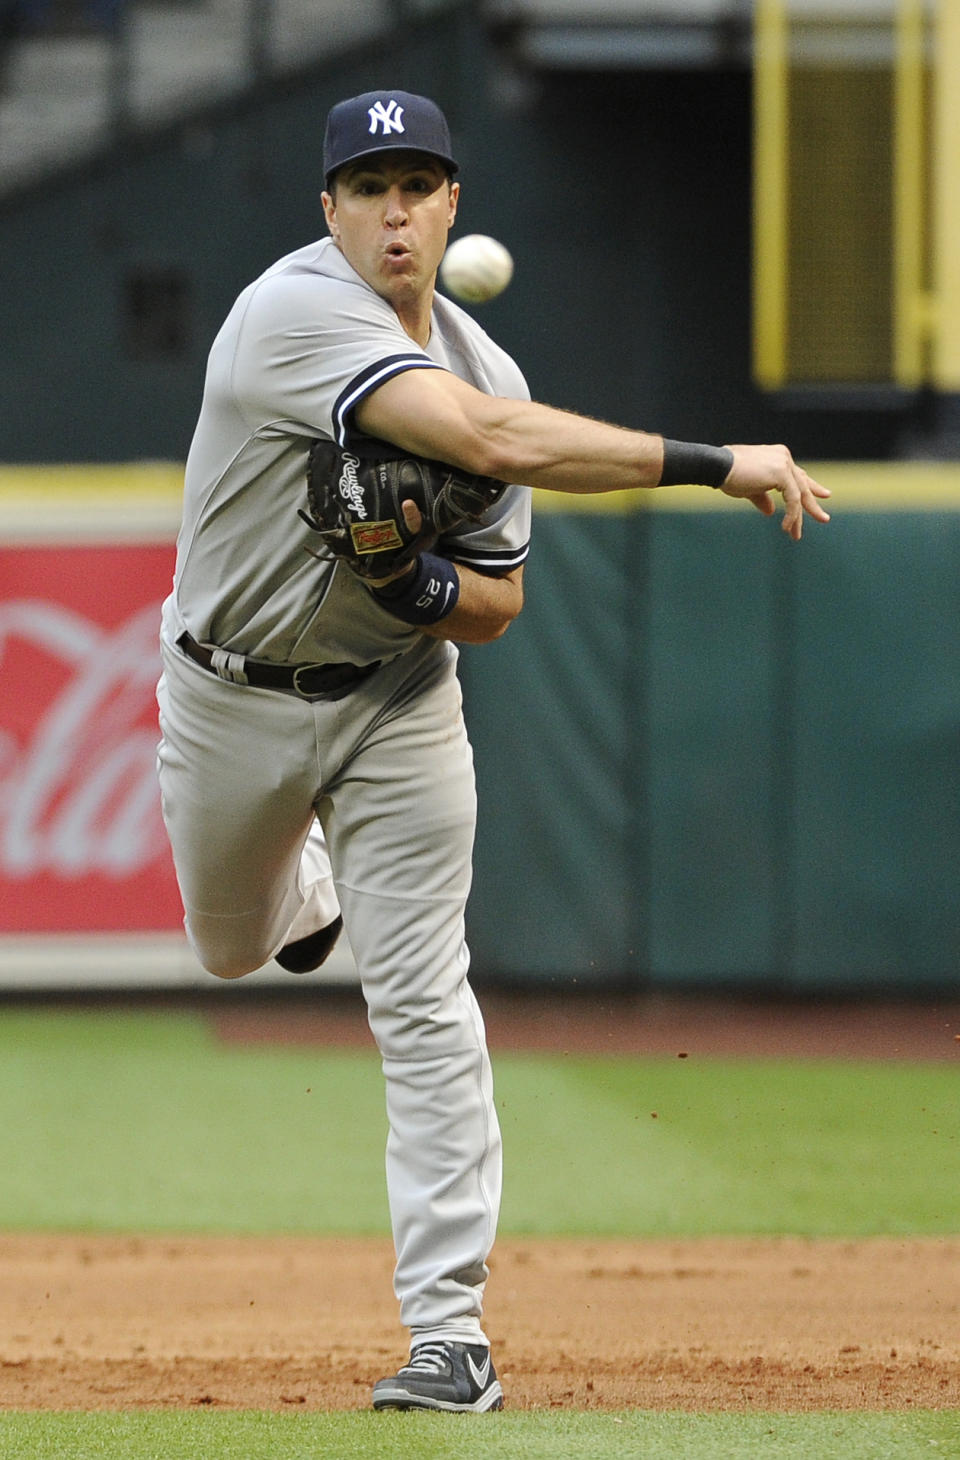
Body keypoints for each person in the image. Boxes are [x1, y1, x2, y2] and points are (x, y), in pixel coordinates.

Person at [156, 88, 830, 1414]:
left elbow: (500, 605)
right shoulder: (285, 316)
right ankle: (308, 894)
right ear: (329, 211)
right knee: (228, 949)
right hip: (227, 694)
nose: (395, 210)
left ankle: (450, 1335)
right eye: (369, 187)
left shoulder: (490, 367)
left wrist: (409, 585)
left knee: (426, 1008)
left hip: (402, 701)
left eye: (419, 185)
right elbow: (481, 445)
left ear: (454, 203)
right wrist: (715, 458)